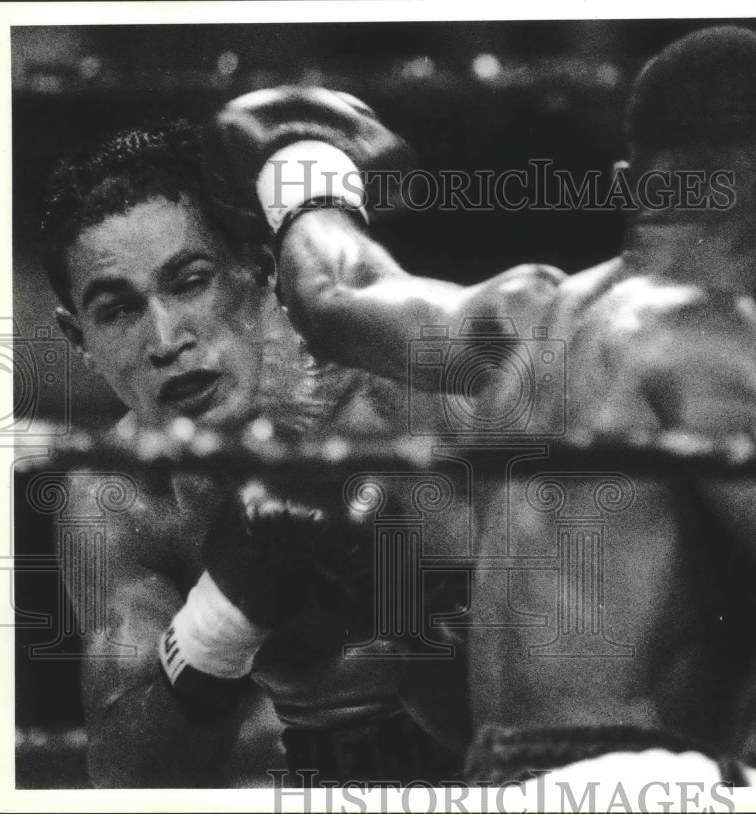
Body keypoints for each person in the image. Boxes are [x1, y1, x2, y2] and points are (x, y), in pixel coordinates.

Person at [204, 26, 756, 789]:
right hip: (643, 788)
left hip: (503, 780)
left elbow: (337, 299)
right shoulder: (713, 329)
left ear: (630, 183)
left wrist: (303, 171)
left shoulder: (525, 318)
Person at [41, 108, 463, 787]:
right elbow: (128, 781)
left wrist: (398, 602)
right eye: (117, 308)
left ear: (261, 271)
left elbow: (531, 715)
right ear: (76, 338)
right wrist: (232, 598)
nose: (165, 338)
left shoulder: (397, 406)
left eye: (189, 281)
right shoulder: (118, 493)